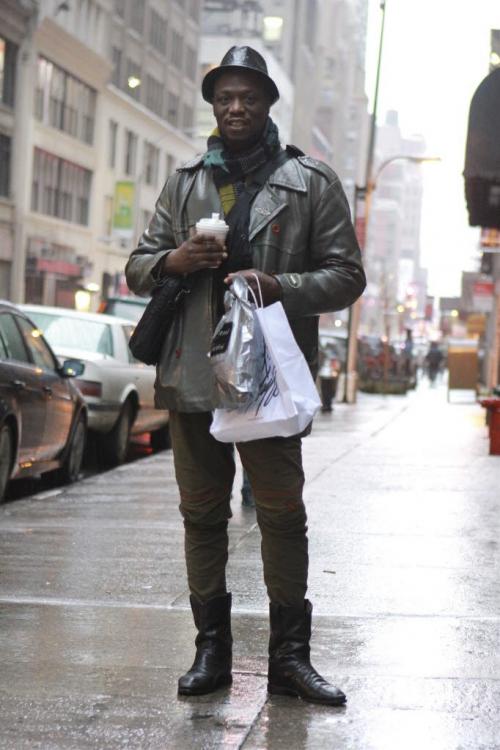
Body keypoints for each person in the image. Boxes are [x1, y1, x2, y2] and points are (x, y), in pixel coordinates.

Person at [125, 46, 365, 706]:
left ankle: (290, 657)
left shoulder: (311, 182)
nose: (235, 107)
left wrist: (277, 282)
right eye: (224, 97)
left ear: (266, 105)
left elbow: (348, 275)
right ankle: (212, 654)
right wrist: (176, 257)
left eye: (247, 97)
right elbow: (138, 266)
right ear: (213, 104)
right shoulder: (184, 182)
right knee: (201, 515)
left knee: (282, 514)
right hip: (193, 374)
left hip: (267, 382)